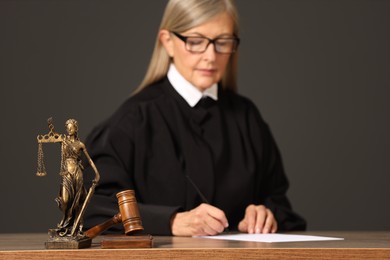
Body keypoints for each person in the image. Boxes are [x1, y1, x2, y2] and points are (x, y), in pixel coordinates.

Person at [83, 0, 306, 236]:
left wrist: (265, 215)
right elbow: (91, 209)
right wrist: (171, 221)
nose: (211, 56)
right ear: (168, 42)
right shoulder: (132, 121)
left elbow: (280, 203)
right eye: (196, 41)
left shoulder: (247, 118)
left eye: (223, 42)